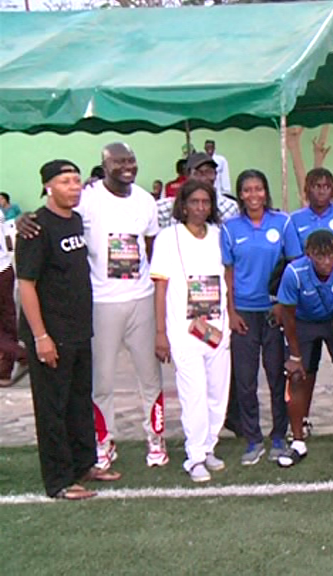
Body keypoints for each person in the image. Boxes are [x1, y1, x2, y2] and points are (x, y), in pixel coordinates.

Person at [18, 142, 169, 469]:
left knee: (150, 378)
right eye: (118, 161)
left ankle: (155, 440)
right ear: (104, 165)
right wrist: (24, 220)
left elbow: (150, 245)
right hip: (100, 303)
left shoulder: (145, 200)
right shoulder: (86, 197)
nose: (126, 166)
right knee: (101, 382)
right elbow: (53, 217)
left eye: (131, 160)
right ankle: (104, 442)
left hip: (140, 298)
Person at [19, 160, 121, 500]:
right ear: (49, 186)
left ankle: (84, 464)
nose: (74, 187)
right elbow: (27, 285)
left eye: (77, 181)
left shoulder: (75, 220)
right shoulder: (35, 228)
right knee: (53, 408)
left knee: (79, 401)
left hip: (79, 330)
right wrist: (40, 337)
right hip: (51, 334)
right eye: (65, 181)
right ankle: (59, 481)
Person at [150, 179, 231, 483]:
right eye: (194, 202)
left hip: (216, 328)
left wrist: (230, 317)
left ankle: (210, 445)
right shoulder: (167, 238)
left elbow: (228, 281)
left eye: (206, 202)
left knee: (217, 393)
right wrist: (160, 333)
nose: (200, 208)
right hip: (184, 331)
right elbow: (160, 288)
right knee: (193, 394)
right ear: (182, 205)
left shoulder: (219, 236)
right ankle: (194, 455)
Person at [221, 169, 290, 466]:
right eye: (247, 190)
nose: (253, 195)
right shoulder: (229, 228)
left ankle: (278, 435)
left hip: (273, 311)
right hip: (244, 314)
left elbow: (291, 266)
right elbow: (228, 273)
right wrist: (232, 312)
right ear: (240, 195)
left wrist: (281, 305)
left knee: (277, 376)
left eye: (258, 189)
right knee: (246, 380)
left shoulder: (282, 222)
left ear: (266, 192)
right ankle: (252, 439)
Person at [275, 230, 333, 466]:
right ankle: (298, 440)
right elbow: (288, 316)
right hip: (303, 322)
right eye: (319, 257)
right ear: (308, 254)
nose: (326, 262)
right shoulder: (294, 272)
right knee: (297, 376)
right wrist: (294, 355)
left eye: (330, 256)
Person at [283, 167, 333, 263]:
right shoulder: (294, 220)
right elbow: (294, 259)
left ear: (332, 191)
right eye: (316, 187)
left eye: (326, 187)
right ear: (307, 189)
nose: (321, 192)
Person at [157, 153, 240, 229]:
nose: (204, 178)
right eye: (198, 173)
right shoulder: (164, 209)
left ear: (215, 175)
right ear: (187, 175)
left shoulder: (231, 208)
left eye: (209, 172)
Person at [0, 206, 26, 388]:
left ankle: (23, 355)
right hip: (4, 268)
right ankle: (4, 372)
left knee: (7, 322)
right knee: (7, 321)